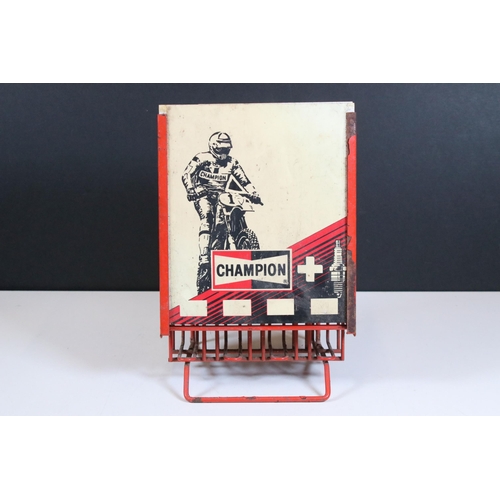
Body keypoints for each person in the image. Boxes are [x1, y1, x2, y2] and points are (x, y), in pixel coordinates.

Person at [182, 132, 261, 292]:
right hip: (203, 194)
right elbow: (187, 174)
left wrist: (253, 192)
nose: (224, 152)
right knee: (207, 217)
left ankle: (241, 241)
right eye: (221, 148)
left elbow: (244, 180)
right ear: (213, 146)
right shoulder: (201, 158)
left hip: (222, 196)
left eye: (227, 149)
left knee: (231, 216)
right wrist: (191, 190)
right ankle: (204, 258)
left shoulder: (232, 163)